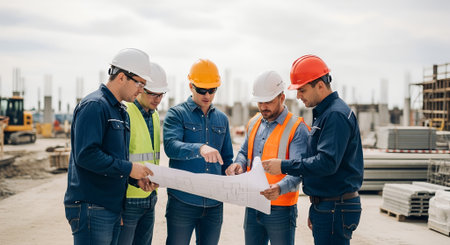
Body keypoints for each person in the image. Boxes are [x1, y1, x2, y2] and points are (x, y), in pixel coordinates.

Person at [262, 55, 364, 245]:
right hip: (328, 205)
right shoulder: (326, 113)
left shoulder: (335, 115)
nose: (298, 96)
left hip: (335, 206)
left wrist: (283, 166)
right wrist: (317, 207)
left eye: (302, 90)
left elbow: (326, 163)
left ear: (320, 85)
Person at [64, 48, 154, 245]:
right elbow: (86, 155)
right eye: (140, 83)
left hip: (111, 207)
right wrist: (130, 168)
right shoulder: (95, 105)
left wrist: (134, 180)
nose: (141, 90)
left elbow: (114, 159)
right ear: (122, 77)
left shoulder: (121, 111)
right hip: (92, 206)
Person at [225, 71, 310, 245]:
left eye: (269, 101)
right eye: (260, 102)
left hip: (281, 209)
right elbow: (243, 152)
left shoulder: (297, 128)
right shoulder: (254, 121)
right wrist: (238, 164)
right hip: (253, 202)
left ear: (282, 98)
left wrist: (279, 188)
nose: (263, 106)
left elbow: (299, 170)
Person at [163, 59, 234, 245]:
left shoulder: (222, 119)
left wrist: (233, 169)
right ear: (191, 86)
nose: (207, 95)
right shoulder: (176, 114)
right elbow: (171, 147)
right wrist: (199, 148)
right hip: (182, 202)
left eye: (212, 90)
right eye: (202, 90)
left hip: (214, 204)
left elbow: (226, 159)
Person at [118, 62, 169, 245]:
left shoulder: (154, 115)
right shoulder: (125, 112)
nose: (157, 99)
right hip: (129, 199)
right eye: (152, 93)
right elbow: (118, 160)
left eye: (161, 94)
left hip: (149, 197)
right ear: (140, 88)